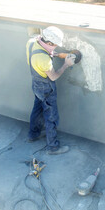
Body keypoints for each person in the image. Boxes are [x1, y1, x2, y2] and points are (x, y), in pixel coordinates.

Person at [26, 26, 75, 155]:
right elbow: (53, 76)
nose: (56, 47)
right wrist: (66, 64)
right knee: (51, 116)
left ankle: (33, 135)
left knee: (37, 110)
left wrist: (56, 54)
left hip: (36, 84)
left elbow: (42, 55)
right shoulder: (44, 60)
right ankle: (53, 147)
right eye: (55, 46)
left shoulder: (32, 43)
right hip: (46, 88)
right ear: (49, 43)